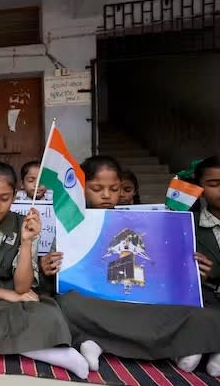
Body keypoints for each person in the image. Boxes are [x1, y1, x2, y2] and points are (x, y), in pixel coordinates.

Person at [40, 156, 220, 375]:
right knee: (65, 305)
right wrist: (48, 268)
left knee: (203, 312)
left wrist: (191, 270)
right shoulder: (70, 222)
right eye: (97, 188)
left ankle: (96, 340)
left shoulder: (144, 219)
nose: (106, 195)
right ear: (81, 188)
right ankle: (175, 346)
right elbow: (56, 274)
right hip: (96, 303)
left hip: (138, 299)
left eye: (114, 188)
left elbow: (160, 269)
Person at [0, 162, 89, 378]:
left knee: (48, 311)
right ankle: (41, 351)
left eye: (4, 198)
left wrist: (26, 242)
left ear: (15, 195)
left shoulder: (26, 224)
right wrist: (8, 296)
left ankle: (33, 346)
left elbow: (22, 286)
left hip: (16, 291)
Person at [192, 157, 220, 311]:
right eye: (214, 184)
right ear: (199, 189)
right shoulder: (188, 227)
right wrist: (195, 276)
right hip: (207, 310)